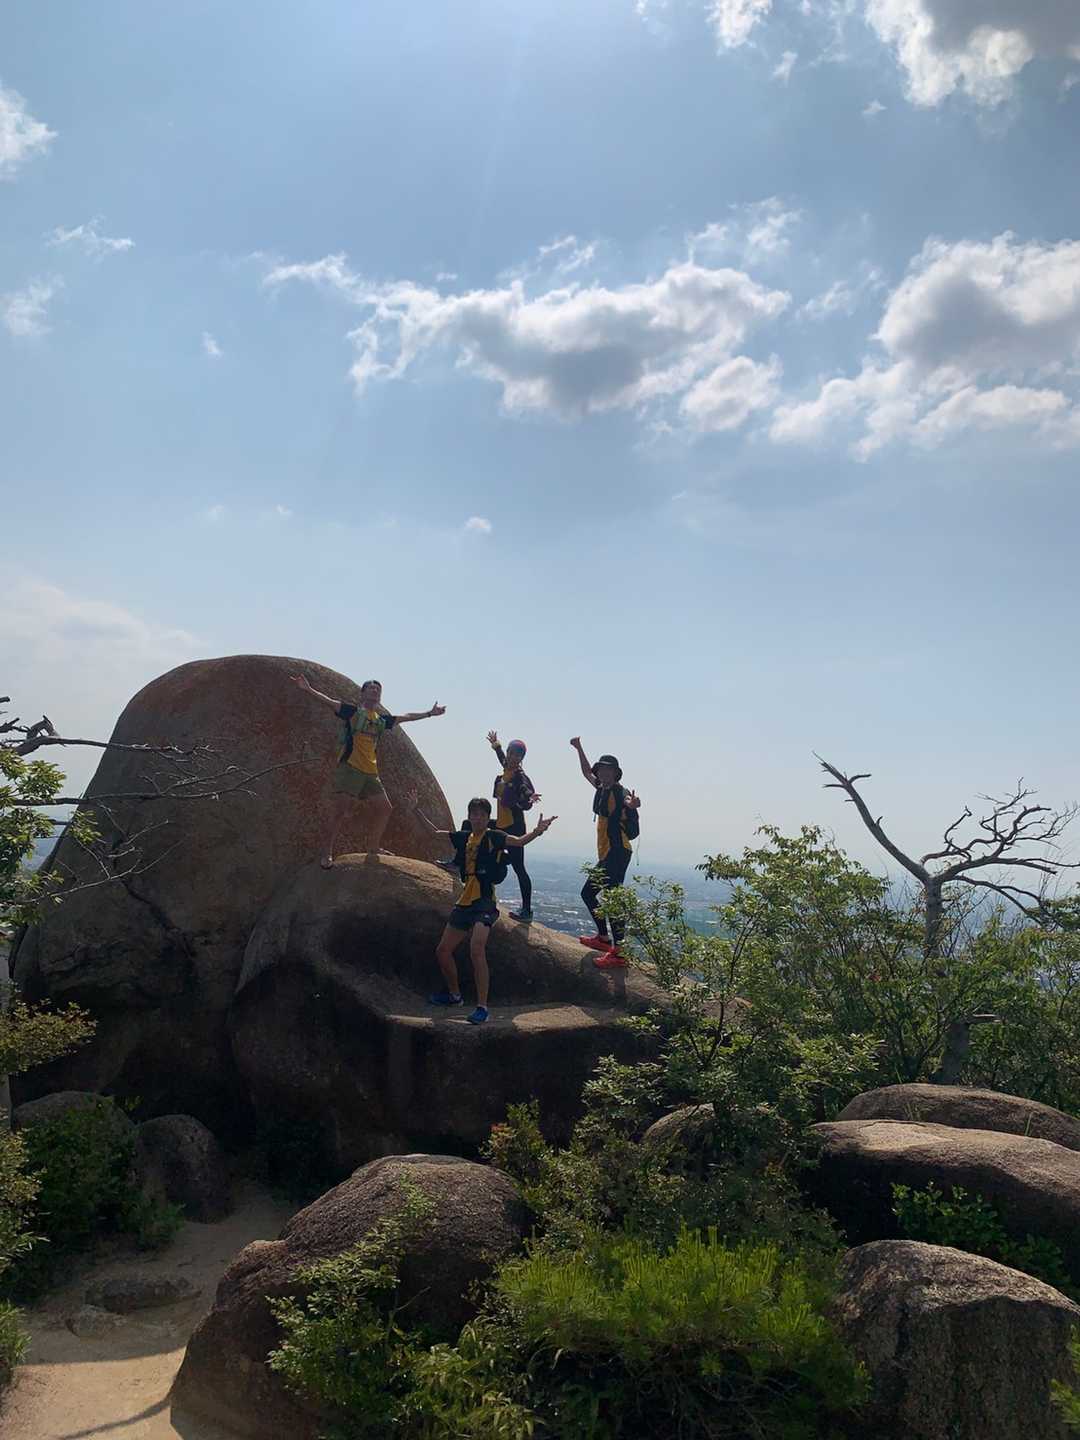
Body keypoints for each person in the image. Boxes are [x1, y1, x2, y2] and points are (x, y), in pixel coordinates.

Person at [411, 794, 557, 1025]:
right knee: (443, 950)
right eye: (474, 814)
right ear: (469, 816)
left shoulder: (494, 836)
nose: (477, 818)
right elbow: (434, 833)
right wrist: (415, 809)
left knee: (476, 948)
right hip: (465, 901)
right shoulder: (465, 837)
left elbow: (519, 842)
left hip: (484, 902)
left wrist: (538, 831)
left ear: (488, 817)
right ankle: (455, 996)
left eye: (482, 815)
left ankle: (482, 1007)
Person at [289, 674, 445, 864]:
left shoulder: (380, 720)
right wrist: (308, 689)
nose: (375, 691)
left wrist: (430, 713)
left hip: (371, 772)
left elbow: (407, 717)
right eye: (371, 688)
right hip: (351, 767)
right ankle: (326, 851)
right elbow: (329, 702)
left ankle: (373, 847)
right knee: (340, 811)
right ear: (362, 693)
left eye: (378, 690)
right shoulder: (353, 712)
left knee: (385, 808)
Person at [570, 737, 641, 970]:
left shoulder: (620, 792)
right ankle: (603, 938)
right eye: (601, 770)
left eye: (608, 770)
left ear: (615, 773)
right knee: (591, 894)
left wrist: (633, 804)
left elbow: (629, 801)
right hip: (607, 853)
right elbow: (585, 772)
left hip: (618, 852)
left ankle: (619, 952)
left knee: (609, 898)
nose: (603, 773)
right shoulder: (602, 789)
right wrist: (579, 748)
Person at [486, 730, 540, 921]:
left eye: (518, 755)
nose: (513, 757)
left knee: (519, 868)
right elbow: (502, 758)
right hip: (501, 824)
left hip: (514, 827)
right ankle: (460, 861)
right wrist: (496, 745)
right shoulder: (506, 768)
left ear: (522, 758)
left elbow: (524, 789)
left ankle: (527, 910)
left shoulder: (519, 776)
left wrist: (530, 797)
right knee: (470, 825)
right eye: (511, 753)